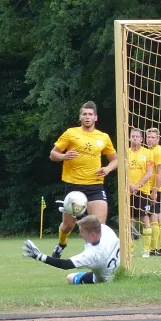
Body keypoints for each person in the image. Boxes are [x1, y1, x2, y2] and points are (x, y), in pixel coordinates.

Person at [49, 101, 118, 259]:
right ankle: (61, 243)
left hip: (95, 186)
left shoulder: (103, 137)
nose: (87, 117)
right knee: (68, 225)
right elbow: (53, 154)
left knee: (98, 226)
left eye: (90, 114)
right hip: (74, 186)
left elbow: (115, 159)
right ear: (80, 117)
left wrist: (107, 169)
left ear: (96, 117)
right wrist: (64, 156)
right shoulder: (71, 133)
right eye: (84, 114)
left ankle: (94, 255)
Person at [23, 215, 120, 284]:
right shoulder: (106, 230)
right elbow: (92, 221)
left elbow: (66, 264)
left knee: (70, 278)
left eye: (82, 232)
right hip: (117, 272)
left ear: (93, 234)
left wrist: (39, 256)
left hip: (104, 280)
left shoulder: (93, 254)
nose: (80, 235)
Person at [128, 128, 154, 257]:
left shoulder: (148, 153)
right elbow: (122, 172)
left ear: (142, 139)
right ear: (129, 138)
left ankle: (146, 250)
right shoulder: (125, 153)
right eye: (133, 136)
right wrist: (130, 185)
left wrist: (137, 185)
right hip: (128, 191)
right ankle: (130, 250)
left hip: (143, 190)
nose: (135, 138)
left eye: (137, 136)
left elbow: (149, 173)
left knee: (145, 218)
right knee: (129, 220)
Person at [146, 127, 161, 256]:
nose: (150, 139)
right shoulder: (148, 151)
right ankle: (159, 248)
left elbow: (160, 172)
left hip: (157, 188)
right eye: (148, 137)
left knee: (155, 216)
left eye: (153, 137)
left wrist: (155, 190)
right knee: (155, 216)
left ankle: (158, 248)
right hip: (148, 188)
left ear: (158, 139)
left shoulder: (159, 152)